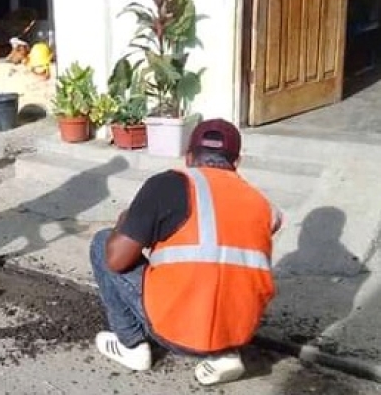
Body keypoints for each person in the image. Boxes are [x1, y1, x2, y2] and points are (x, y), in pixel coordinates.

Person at [89, 119, 282, 386]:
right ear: (237, 162)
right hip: (238, 331)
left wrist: (126, 221)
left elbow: (117, 260)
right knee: (225, 276)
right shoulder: (264, 206)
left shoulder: (167, 185)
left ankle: (132, 346)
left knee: (103, 244)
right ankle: (224, 353)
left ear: (189, 158)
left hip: (175, 330)